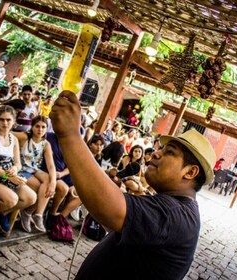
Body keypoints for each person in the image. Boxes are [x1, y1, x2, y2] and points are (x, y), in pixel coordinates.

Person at [50, 91, 216, 279]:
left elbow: (111, 210)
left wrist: (70, 135)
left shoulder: (174, 215)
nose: (155, 154)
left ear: (190, 172)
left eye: (169, 152)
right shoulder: (174, 208)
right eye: (160, 148)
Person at [0, 105, 36, 236]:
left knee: (31, 197)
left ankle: (1, 213)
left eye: (8, 120)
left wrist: (15, 168)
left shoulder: (14, 139)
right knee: (11, 199)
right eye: (2, 119)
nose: (5, 123)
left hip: (9, 175)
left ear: (14, 121)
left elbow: (18, 163)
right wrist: (7, 176)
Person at [14, 116, 57, 233]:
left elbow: (51, 166)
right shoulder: (24, 137)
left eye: (43, 127)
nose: (40, 130)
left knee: (49, 182)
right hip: (20, 169)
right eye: (37, 126)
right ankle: (27, 213)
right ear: (32, 127)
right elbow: (7, 134)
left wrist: (53, 183)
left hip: (34, 170)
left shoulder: (45, 144)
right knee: (41, 189)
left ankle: (38, 214)